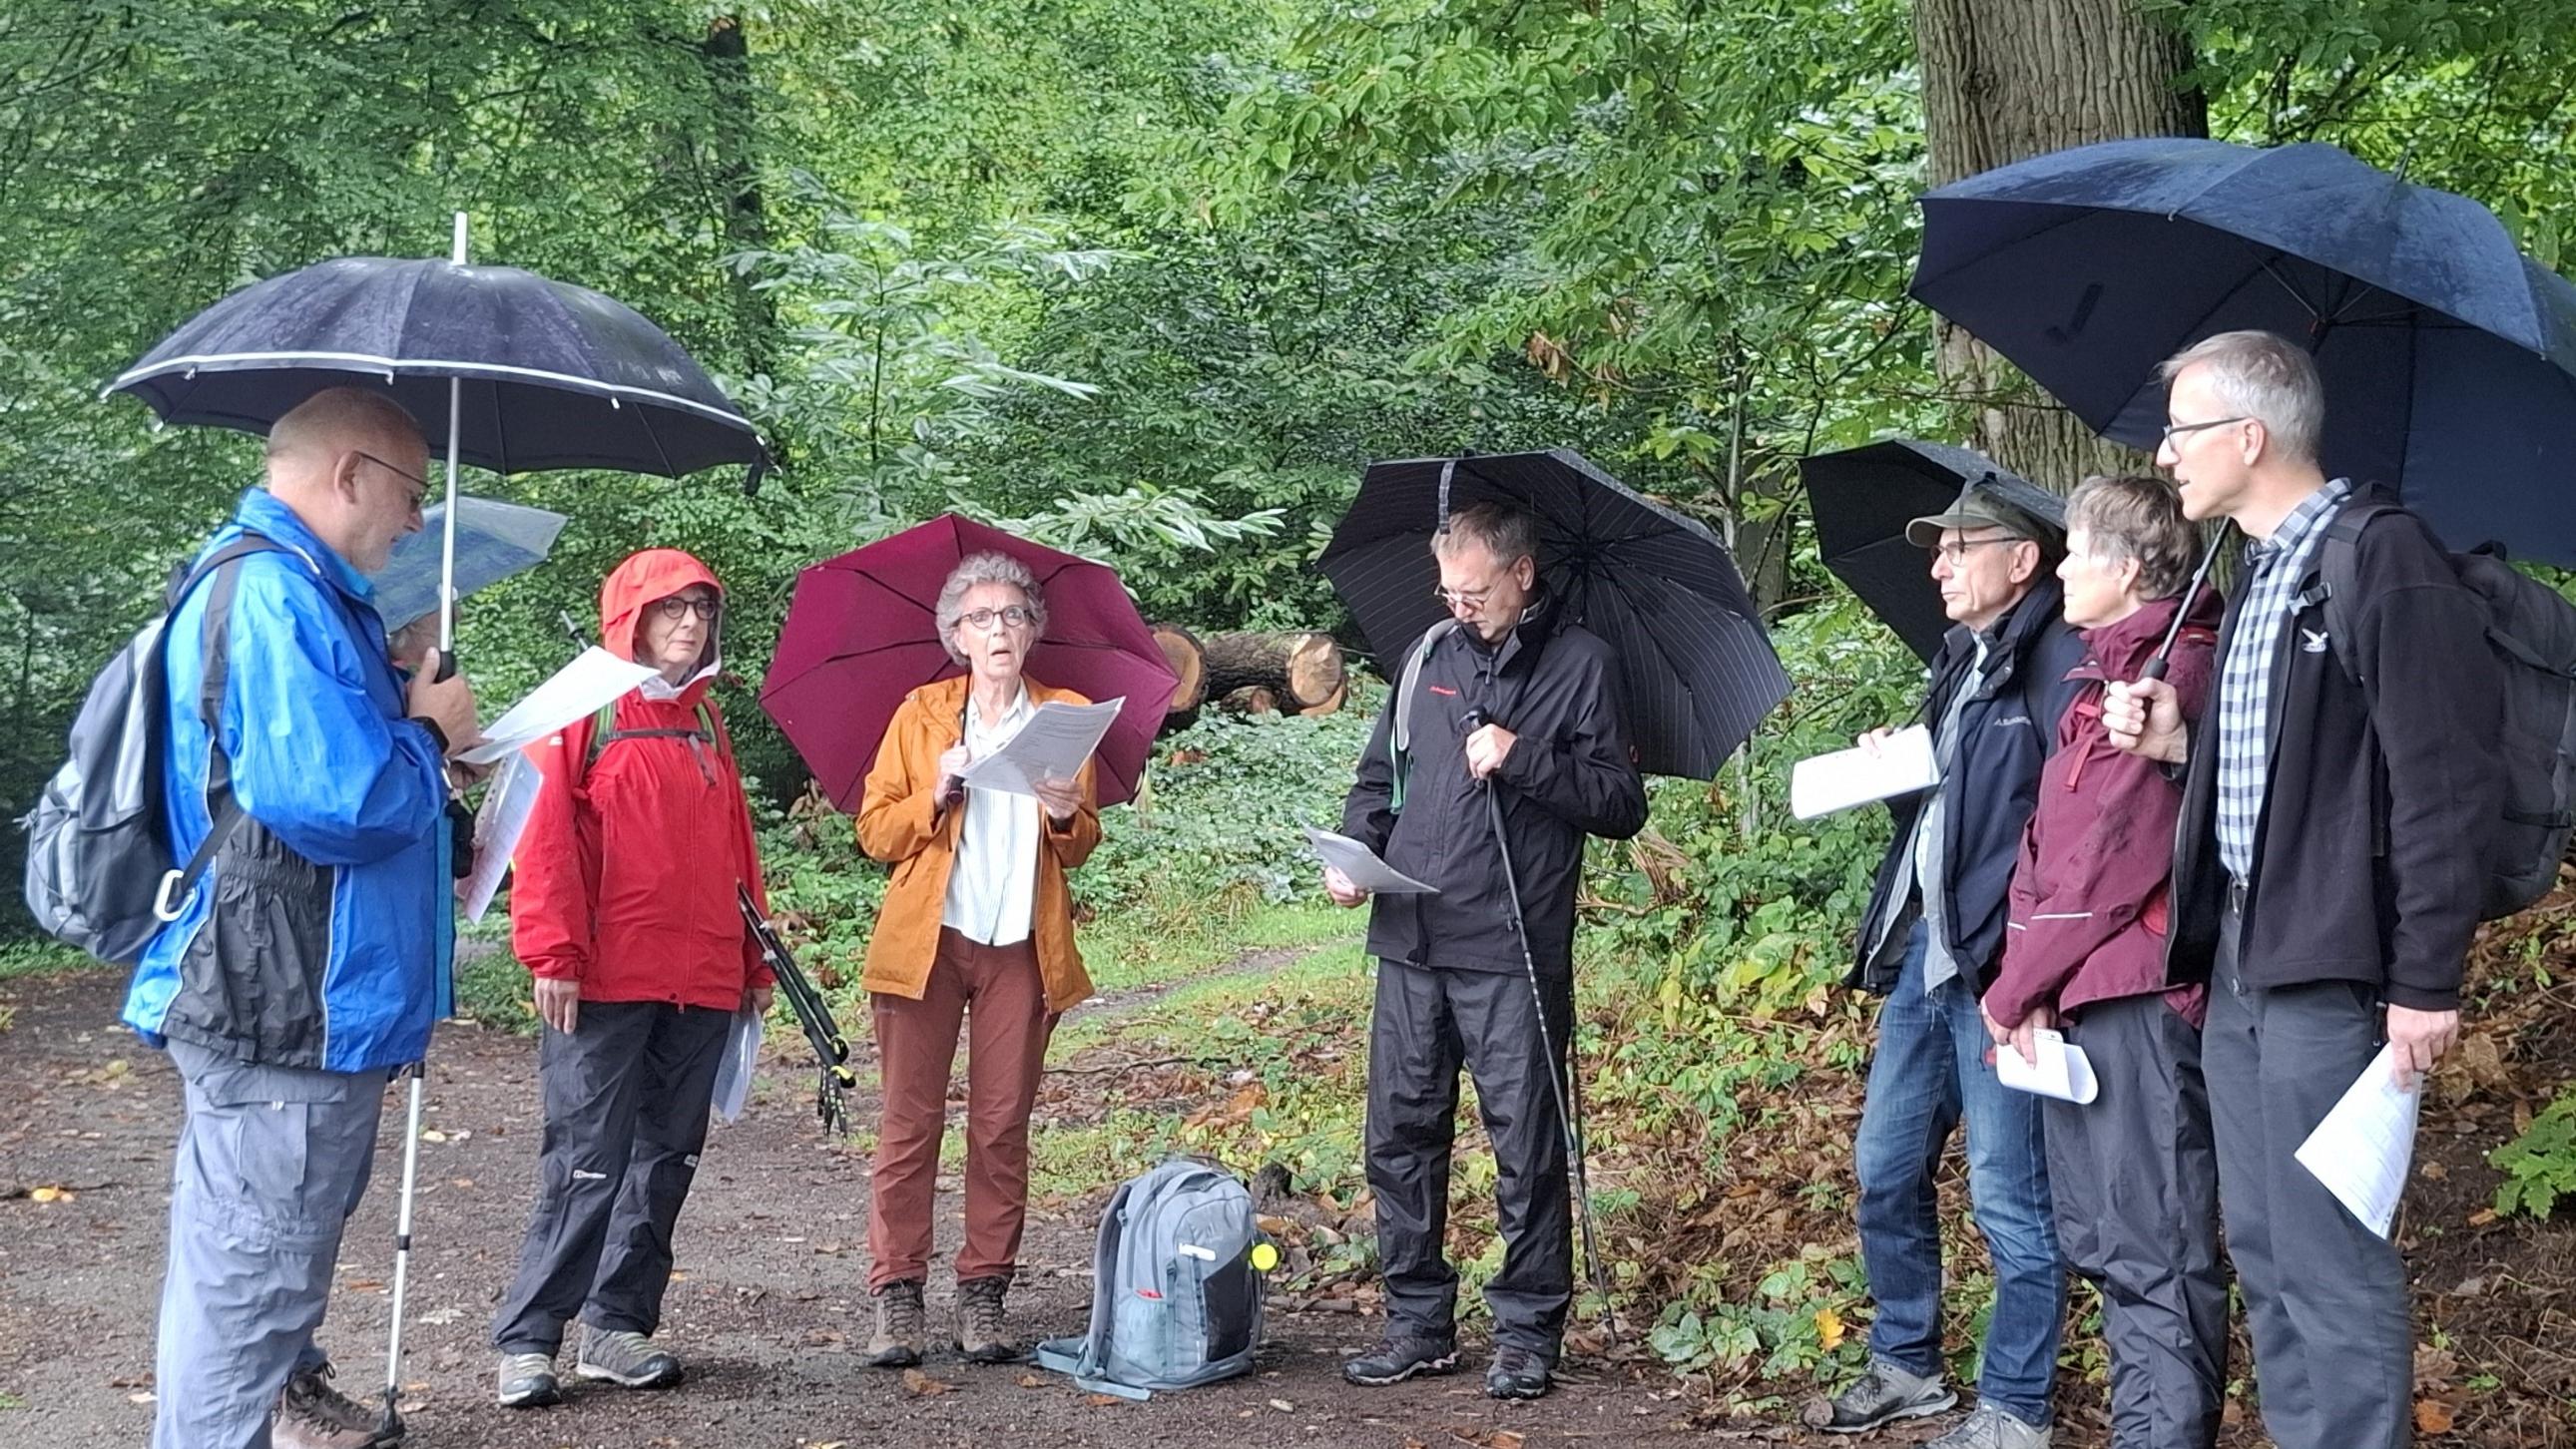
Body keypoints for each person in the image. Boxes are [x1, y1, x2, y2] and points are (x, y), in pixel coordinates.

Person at [2103, 330, 2504, 1449]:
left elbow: (2443, 783)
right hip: (2243, 954)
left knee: (2330, 1255)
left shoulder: (2381, 557)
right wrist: (2177, 745)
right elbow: (2298, 772)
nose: (2166, 453)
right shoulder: (2257, 569)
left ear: (2248, 435)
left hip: (2336, 967)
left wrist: (2426, 978)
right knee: (2270, 1251)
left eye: (2181, 430)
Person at [123, 386, 481, 1449]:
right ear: (350, 475)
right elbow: (339, 803)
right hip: (284, 1004)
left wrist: (407, 683)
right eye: (412, 495)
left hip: (307, 1002)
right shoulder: (275, 595)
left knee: (260, 1282)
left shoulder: (311, 597)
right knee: (246, 1301)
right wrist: (425, 733)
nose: (416, 522)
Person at [1327, 501, 1647, 1402]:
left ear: (1521, 574)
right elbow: (1374, 783)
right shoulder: (1427, 655)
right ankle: (1418, 1323)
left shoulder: (1582, 664)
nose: (1456, 605)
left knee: (1525, 1144)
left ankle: (1527, 1329)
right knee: (1398, 1135)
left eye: (1473, 592)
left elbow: (1620, 805)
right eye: (1447, 590)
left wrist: (1521, 756)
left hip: (1511, 943)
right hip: (1408, 936)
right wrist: (1357, 858)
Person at [1812, 475, 2085, 1449]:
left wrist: (2032, 974)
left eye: (1958, 546)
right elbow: (1955, 814)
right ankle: (1908, 1367)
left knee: (2009, 1198)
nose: (1936, 563)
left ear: (2021, 561)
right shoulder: (1961, 658)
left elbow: (2071, 831)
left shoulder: (2059, 661)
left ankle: (2015, 1411)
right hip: (1930, 960)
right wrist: (1898, 764)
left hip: (2001, 975)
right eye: (1937, 548)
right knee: (1884, 1168)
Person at [490, 549, 773, 1408]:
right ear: (630, 618)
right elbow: (542, 842)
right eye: (669, 609)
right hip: (606, 977)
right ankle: (530, 1339)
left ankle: (617, 1328)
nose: (688, 623)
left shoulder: (707, 723)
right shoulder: (583, 713)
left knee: (666, 1159)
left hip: (702, 979)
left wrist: (752, 960)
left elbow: (736, 852)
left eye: (700, 609)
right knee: (587, 1159)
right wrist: (552, 954)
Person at [1978, 474, 2226, 1449]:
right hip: (2075, 998)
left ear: (2124, 570)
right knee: (2104, 1245)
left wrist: (2012, 990)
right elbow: (2045, 843)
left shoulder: (2180, 672)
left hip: (2140, 996)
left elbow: (2110, 859)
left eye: (2075, 553)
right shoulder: (2099, 678)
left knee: (2154, 1247)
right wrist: (2029, 986)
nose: (2063, 569)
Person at [854, 550, 1101, 1368]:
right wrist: (934, 791)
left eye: (1013, 615)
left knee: (1000, 1126)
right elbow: (875, 831)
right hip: (928, 944)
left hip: (1021, 945)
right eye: (980, 618)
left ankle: (984, 1290)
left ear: (1034, 629)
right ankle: (897, 1294)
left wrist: (1065, 812)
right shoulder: (922, 715)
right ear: (955, 635)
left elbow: (1082, 843)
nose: (998, 630)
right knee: (907, 1125)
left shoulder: (1063, 715)